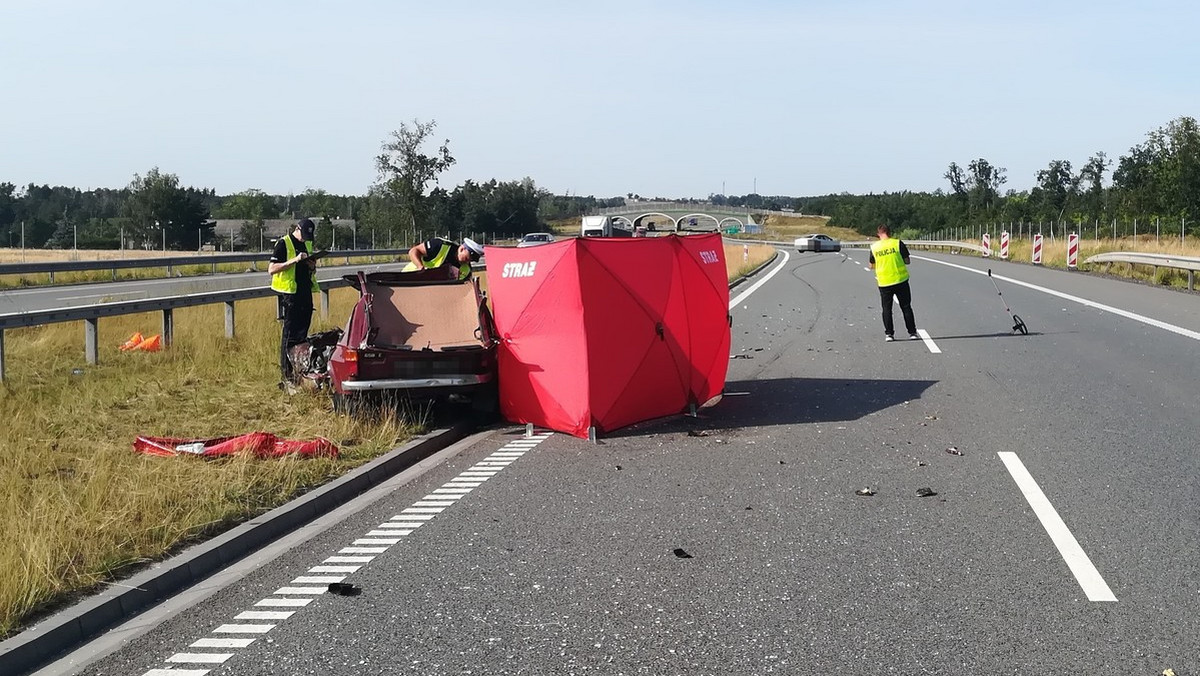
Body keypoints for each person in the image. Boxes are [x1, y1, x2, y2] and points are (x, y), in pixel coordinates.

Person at [269, 218, 320, 384]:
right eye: (303, 235)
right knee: (289, 336)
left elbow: (312, 271)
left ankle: (300, 372)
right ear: (297, 229)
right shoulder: (283, 243)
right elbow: (272, 269)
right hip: (291, 294)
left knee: (302, 335)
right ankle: (287, 375)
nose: (305, 239)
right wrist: (295, 260)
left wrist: (312, 266)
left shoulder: (308, 244)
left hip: (305, 292)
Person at [869, 224, 919, 342]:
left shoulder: (874, 247)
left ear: (878, 234)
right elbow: (907, 261)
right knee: (906, 307)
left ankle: (889, 334)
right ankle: (912, 332)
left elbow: (871, 265)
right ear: (890, 232)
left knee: (887, 309)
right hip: (900, 280)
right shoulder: (897, 243)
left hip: (884, 282)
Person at [403, 236, 484, 280]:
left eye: (471, 260)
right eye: (467, 258)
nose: (468, 262)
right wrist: (419, 266)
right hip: (409, 278)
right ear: (462, 249)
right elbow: (413, 251)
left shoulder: (466, 270)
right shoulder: (440, 245)